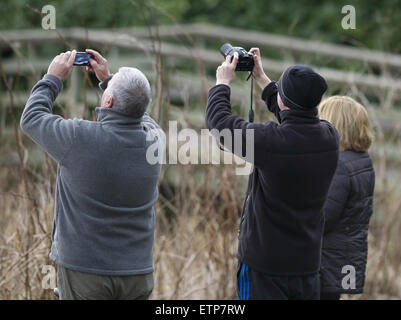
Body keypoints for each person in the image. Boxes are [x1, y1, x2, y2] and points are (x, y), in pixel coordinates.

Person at [20, 49, 164, 300]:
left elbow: (31, 118)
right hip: (138, 273)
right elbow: (139, 112)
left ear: (107, 102)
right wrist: (109, 81)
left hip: (86, 272)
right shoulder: (156, 141)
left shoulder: (79, 137)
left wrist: (52, 78)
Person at [205, 48, 340, 300]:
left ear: (282, 100)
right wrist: (262, 79)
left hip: (264, 269)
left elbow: (220, 125)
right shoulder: (329, 137)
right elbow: (297, 118)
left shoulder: (271, 142)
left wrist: (222, 84)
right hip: (307, 267)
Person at [318, 96, 375, 300]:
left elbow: (324, 216)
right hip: (342, 260)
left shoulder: (340, 166)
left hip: (325, 261)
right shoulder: (362, 161)